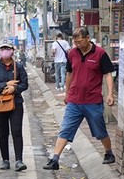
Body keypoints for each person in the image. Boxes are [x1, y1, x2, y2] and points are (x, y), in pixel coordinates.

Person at [43, 26, 116, 170]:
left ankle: (109, 152)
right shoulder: (72, 53)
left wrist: (110, 94)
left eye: (81, 42)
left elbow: (108, 74)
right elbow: (69, 74)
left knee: (100, 131)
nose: (78, 45)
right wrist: (67, 93)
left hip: (92, 100)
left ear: (88, 38)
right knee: (66, 129)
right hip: (74, 100)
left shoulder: (100, 54)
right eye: (76, 43)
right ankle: (55, 159)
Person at [0, 43, 29, 171]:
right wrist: (5, 84)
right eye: (2, 49)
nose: (5, 51)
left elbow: (24, 84)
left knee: (16, 131)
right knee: (3, 132)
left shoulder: (19, 66)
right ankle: (5, 159)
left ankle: (19, 160)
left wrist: (14, 88)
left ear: (12, 51)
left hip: (15, 102)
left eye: (8, 49)